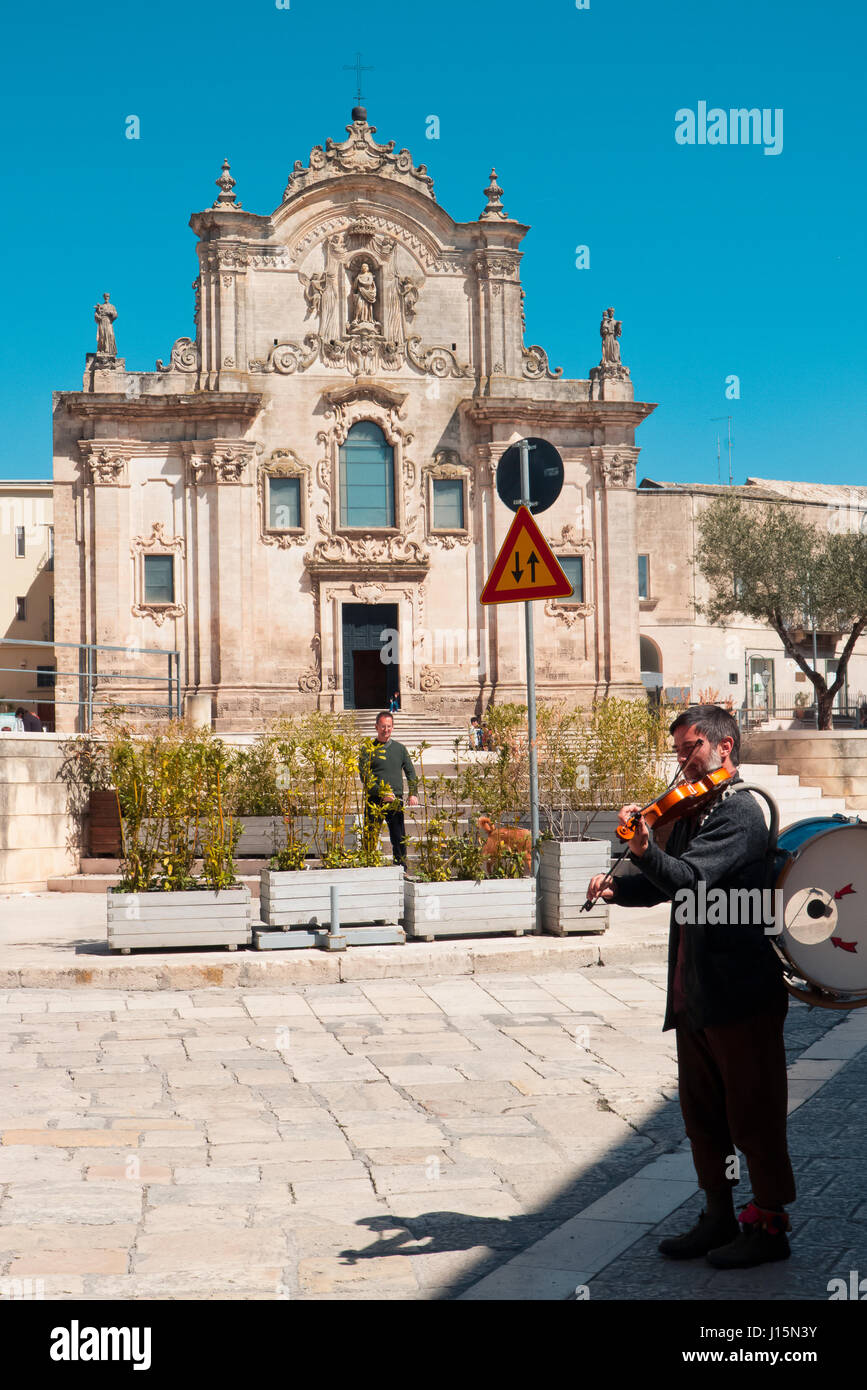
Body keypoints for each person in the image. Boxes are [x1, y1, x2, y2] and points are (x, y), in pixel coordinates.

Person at [585, 704, 794, 1270]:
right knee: (704, 1116)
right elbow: (662, 887)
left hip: (739, 991)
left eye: (691, 749)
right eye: (677, 751)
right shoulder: (695, 812)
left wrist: (645, 850)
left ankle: (770, 1224)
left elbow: (690, 879)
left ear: (724, 747)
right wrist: (618, 890)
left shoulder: (740, 814)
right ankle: (720, 1214)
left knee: (753, 1114)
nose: (681, 762)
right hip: (696, 988)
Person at [358, 710, 418, 869]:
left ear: (393, 727)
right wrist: (380, 792)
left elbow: (411, 772)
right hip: (374, 801)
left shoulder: (400, 748)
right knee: (370, 836)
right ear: (376, 727)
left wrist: (413, 793)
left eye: (389, 726)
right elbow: (365, 776)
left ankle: (401, 869)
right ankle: (368, 867)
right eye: (383, 726)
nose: (386, 730)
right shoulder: (368, 749)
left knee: (399, 838)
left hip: (395, 801)